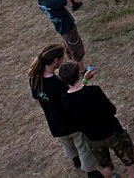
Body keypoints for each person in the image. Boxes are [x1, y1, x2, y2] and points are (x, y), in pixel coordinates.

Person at [58, 63, 134, 178]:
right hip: (112, 132)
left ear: (64, 80)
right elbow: (112, 109)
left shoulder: (65, 99)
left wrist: (85, 81)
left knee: (104, 165)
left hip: (93, 138)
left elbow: (73, 118)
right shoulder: (94, 91)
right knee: (127, 157)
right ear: (78, 74)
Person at [28, 44, 99, 175]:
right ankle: (91, 172)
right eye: (62, 58)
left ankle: (75, 160)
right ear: (55, 61)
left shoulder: (34, 79)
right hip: (71, 124)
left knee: (66, 143)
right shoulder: (58, 83)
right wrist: (84, 80)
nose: (63, 60)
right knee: (82, 146)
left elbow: (37, 99)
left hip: (54, 123)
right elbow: (73, 96)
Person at [34, 0, 86, 70]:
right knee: (76, 50)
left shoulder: (41, 0)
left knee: (70, 48)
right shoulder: (52, 2)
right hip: (68, 28)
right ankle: (82, 71)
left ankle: (73, 66)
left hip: (61, 28)